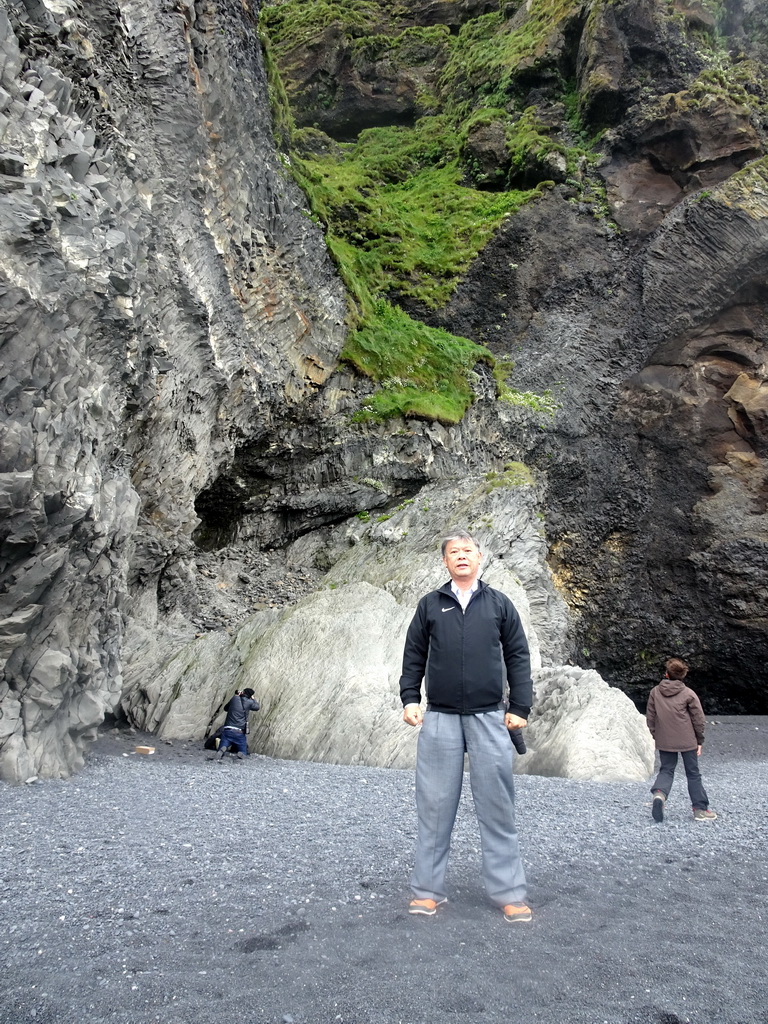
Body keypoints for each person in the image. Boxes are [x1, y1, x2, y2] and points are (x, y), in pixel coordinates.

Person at [399, 528, 533, 923]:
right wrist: (410, 698)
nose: (461, 556)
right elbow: (413, 655)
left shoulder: (499, 605)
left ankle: (509, 893)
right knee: (435, 806)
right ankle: (427, 892)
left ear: (479, 558)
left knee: (497, 806)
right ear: (445, 561)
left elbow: (518, 656)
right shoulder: (429, 605)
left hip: (490, 715)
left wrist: (520, 705)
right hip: (439, 715)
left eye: (468, 550)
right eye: (453, 552)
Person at [646, 658, 717, 822]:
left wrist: (656, 735)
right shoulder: (688, 693)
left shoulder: (655, 692)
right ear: (682, 676)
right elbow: (698, 719)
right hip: (687, 740)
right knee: (693, 773)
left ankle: (659, 794)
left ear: (666, 674)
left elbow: (650, 717)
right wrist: (700, 741)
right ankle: (700, 810)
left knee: (666, 770)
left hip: (665, 740)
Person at [216, 688, 260, 760]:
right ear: (250, 696)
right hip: (239, 732)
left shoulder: (234, 698)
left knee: (224, 743)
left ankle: (222, 750)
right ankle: (241, 754)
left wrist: (236, 696)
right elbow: (257, 707)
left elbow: (226, 708)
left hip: (228, 729)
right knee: (243, 750)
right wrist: (253, 699)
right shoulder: (250, 702)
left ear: (243, 692)